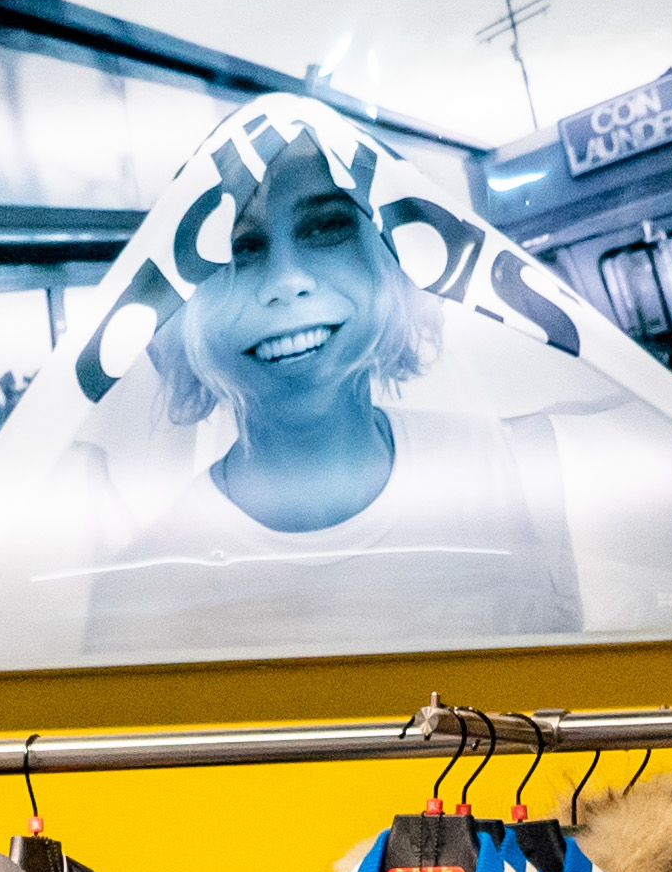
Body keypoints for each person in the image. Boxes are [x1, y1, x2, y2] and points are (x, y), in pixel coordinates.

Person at [72, 124, 585, 656]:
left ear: (393, 259)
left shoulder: (524, 476)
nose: (286, 281)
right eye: (239, 248)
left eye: (325, 227)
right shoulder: (137, 595)